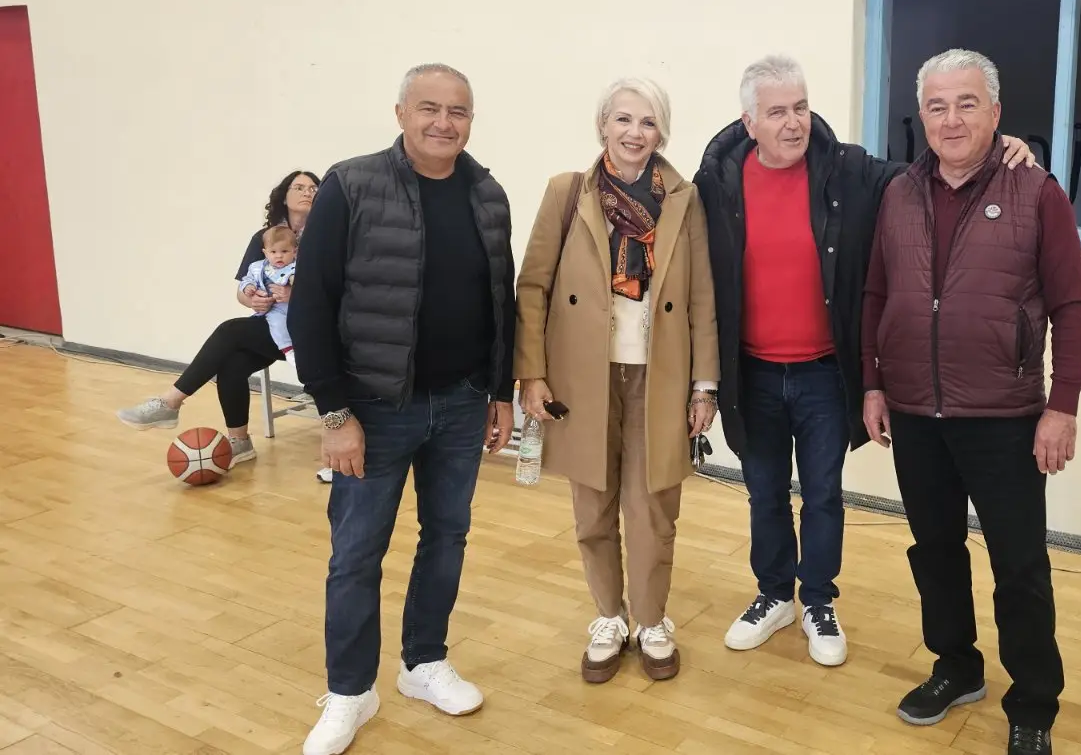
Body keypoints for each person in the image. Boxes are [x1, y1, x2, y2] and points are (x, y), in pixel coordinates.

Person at [694, 55, 1034, 667]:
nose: (794, 123)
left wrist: (996, 146)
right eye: (778, 112)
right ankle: (774, 594)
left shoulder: (848, 169)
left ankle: (818, 600)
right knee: (763, 493)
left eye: (801, 107)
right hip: (752, 373)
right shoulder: (716, 185)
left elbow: (928, 171)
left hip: (825, 373)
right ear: (749, 122)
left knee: (823, 495)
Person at [860, 49, 1081, 755]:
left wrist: (1062, 405)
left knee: (1019, 565)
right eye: (937, 105)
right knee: (935, 551)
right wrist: (873, 381)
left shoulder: (1036, 190)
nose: (952, 119)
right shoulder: (898, 193)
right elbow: (876, 293)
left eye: (967, 103)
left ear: (995, 112)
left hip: (1004, 416)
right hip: (914, 412)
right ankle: (956, 667)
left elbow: (1071, 306)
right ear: (921, 116)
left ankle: (1034, 703)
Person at [288, 63, 517, 755]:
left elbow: (501, 303)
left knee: (446, 537)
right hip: (372, 408)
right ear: (400, 113)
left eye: (458, 111)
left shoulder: (487, 193)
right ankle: (350, 691)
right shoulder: (351, 185)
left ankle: (423, 662)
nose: (444, 122)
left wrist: (499, 392)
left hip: (461, 403)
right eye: (429, 108)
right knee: (356, 555)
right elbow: (311, 304)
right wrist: (335, 414)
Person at [515, 77, 719, 684]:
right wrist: (531, 373)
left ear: (662, 132)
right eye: (624, 119)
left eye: (648, 122)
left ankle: (651, 620)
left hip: (660, 376)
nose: (635, 133)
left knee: (652, 507)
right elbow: (533, 287)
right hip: (583, 375)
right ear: (603, 124)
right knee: (592, 505)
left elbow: (703, 296)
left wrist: (704, 385)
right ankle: (608, 615)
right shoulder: (567, 192)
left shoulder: (684, 197)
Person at [115, 171, 320, 460]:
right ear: (284, 197)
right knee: (232, 364)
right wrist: (254, 300)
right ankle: (240, 442)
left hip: (313, 327)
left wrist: (296, 296)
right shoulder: (264, 238)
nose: (307, 192)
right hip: (273, 323)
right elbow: (242, 291)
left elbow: (338, 288)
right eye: (299, 187)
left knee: (229, 331)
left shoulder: (325, 236)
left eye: (313, 188)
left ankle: (170, 402)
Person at [237, 224, 297, 354]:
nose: (279, 256)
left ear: (294, 252)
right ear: (265, 253)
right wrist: (249, 291)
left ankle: (293, 350)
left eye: (284, 251)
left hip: (298, 312)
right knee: (231, 333)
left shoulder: (296, 266)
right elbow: (246, 281)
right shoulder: (258, 267)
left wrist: (296, 293)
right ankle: (288, 350)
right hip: (272, 311)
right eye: (273, 252)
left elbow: (307, 282)